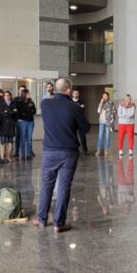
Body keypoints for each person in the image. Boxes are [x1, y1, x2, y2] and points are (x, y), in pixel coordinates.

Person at [33, 78, 90, 233]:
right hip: (69, 152)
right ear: (69, 90)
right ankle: (59, 223)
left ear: (55, 89)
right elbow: (85, 128)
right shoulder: (74, 107)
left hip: (49, 150)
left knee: (46, 184)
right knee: (64, 186)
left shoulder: (45, 104)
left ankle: (42, 219)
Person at [0, 91, 18, 163]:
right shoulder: (0, 103)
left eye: (8, 95)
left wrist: (7, 112)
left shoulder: (14, 103)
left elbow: (16, 112)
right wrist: (7, 112)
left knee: (10, 141)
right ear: (4, 96)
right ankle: (2, 157)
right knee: (3, 141)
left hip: (11, 124)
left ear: (10, 96)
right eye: (5, 95)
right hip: (3, 125)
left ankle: (8, 156)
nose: (7, 96)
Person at [16, 89, 37, 159]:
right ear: (24, 94)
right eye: (28, 93)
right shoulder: (19, 102)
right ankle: (22, 154)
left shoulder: (31, 102)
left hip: (31, 121)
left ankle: (28, 155)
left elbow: (34, 111)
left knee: (29, 138)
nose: (29, 94)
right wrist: (29, 111)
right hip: (23, 122)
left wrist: (28, 111)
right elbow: (20, 112)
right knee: (22, 138)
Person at [96, 92, 116, 156]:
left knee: (107, 136)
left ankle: (106, 150)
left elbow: (114, 111)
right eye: (103, 96)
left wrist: (112, 120)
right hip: (101, 121)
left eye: (105, 96)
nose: (104, 97)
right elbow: (98, 111)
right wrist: (101, 103)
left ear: (108, 96)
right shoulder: (101, 103)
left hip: (108, 122)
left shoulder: (111, 103)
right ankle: (98, 150)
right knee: (100, 136)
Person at [71, 90, 89, 155]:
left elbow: (83, 109)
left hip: (80, 121)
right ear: (72, 94)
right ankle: (74, 150)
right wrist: (78, 107)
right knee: (73, 136)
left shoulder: (81, 101)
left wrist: (77, 107)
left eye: (77, 93)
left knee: (82, 136)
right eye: (74, 93)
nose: (76, 94)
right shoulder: (70, 101)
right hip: (72, 121)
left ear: (78, 94)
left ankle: (85, 150)